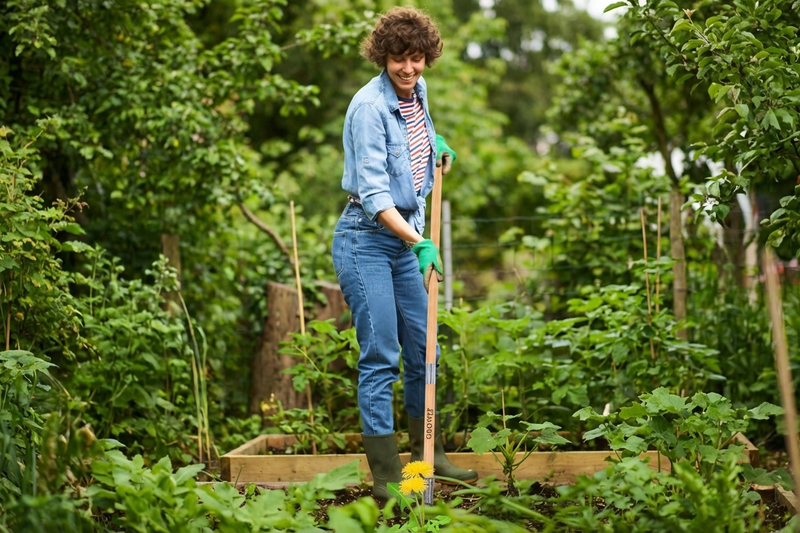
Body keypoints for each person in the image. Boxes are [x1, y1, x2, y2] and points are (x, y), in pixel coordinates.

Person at [331, 6, 478, 501]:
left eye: (416, 58)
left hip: (404, 238)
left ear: (426, 57)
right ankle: (387, 478)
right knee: (381, 356)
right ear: (383, 56)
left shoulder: (416, 92)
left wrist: (433, 143)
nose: (408, 69)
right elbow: (374, 198)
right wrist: (419, 242)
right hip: (367, 240)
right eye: (398, 59)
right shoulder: (369, 108)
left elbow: (412, 140)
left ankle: (428, 454)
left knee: (425, 349)